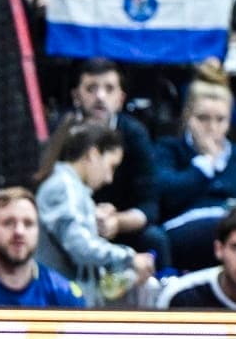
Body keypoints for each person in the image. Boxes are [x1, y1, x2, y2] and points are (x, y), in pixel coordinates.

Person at [55, 59, 162, 264]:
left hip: (118, 223)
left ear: (121, 98)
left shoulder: (135, 134)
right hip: (72, 220)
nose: (100, 97)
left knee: (155, 239)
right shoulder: (60, 132)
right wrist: (88, 214)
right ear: (76, 96)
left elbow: (149, 205)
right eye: (91, 88)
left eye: (109, 88)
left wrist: (117, 222)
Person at [35, 122, 155, 302]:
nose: (109, 178)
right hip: (59, 298)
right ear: (92, 154)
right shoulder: (63, 187)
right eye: (111, 166)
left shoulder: (72, 189)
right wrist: (129, 258)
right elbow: (81, 247)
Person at [153, 75, 236, 240]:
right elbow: (164, 196)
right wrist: (204, 165)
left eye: (220, 119)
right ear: (187, 117)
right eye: (203, 118)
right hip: (181, 238)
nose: (212, 127)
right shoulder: (168, 150)